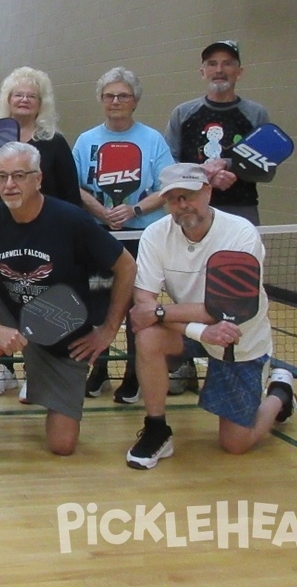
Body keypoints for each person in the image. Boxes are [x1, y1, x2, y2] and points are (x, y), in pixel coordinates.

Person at [0, 141, 136, 460]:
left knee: (62, 445)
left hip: (64, 336)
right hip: (12, 320)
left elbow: (126, 266)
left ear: (38, 179)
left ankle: (46, 381)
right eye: (2, 177)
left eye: (19, 175)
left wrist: (108, 329)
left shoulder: (71, 220)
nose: (9, 185)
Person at [123, 163, 295, 470]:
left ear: (207, 191)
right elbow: (141, 306)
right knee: (147, 336)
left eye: (188, 195)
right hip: (192, 332)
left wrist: (161, 312)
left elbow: (225, 308)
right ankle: (157, 428)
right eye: (174, 198)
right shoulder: (155, 235)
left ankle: (281, 392)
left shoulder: (240, 234)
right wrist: (198, 332)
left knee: (235, 444)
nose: (182, 205)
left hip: (239, 339)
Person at [164, 40, 271, 392]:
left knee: (237, 289)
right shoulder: (184, 113)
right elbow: (170, 166)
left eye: (227, 63)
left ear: (239, 71)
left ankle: (232, 359)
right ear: (202, 71)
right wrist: (202, 173)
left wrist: (231, 169)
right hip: (191, 210)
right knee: (187, 284)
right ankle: (185, 363)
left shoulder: (255, 114)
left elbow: (266, 170)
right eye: (212, 64)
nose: (219, 70)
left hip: (239, 209)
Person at [0, 67, 81, 399]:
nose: (23, 100)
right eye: (17, 95)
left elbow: (70, 194)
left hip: (45, 240)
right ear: (7, 101)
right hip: (1, 240)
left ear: (40, 103)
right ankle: (4, 370)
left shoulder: (55, 142)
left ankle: (36, 372)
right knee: (1, 299)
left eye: (30, 96)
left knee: (40, 300)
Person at [72, 67, 174, 404]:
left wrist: (135, 210)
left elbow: (166, 186)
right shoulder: (87, 140)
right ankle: (97, 367)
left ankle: (132, 374)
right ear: (101, 100)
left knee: (135, 306)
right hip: (98, 235)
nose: (116, 101)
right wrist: (100, 212)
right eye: (109, 96)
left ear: (135, 101)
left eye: (123, 96)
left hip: (141, 236)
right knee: (97, 306)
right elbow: (74, 186)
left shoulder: (152, 139)